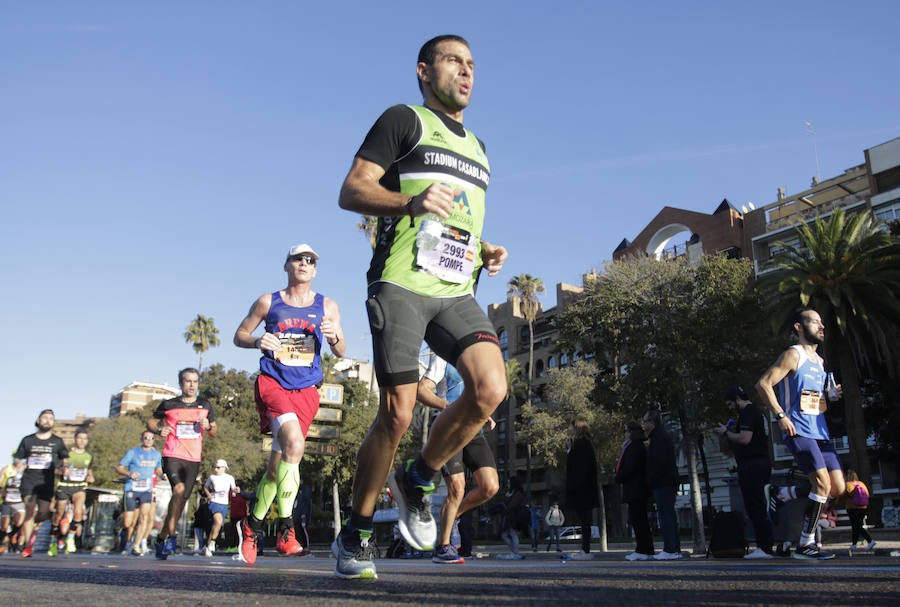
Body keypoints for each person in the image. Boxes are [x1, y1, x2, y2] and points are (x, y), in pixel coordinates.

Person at [334, 34, 507, 580]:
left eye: (472, 64)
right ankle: (356, 534)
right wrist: (408, 201)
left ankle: (420, 473)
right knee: (398, 412)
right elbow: (352, 189)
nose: (467, 72)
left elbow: (455, 220)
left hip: (456, 292)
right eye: (454, 61)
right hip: (401, 284)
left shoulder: (479, 148)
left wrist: (483, 248)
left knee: (490, 389)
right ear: (424, 71)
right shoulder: (403, 120)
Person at [233, 243, 345, 565]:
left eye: (310, 260)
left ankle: (251, 525)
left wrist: (334, 335)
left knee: (276, 468)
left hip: (307, 390)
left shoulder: (328, 306)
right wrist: (257, 340)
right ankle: (286, 530)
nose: (304, 263)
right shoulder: (269, 302)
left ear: (315, 270)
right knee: (295, 444)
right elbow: (239, 335)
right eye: (299, 258)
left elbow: (340, 349)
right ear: (287, 265)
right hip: (274, 384)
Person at [756, 308, 845, 560]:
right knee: (822, 483)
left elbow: (816, 399)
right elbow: (763, 383)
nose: (821, 327)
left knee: (836, 488)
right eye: (814, 322)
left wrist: (831, 396)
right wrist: (780, 416)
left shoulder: (820, 362)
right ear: (799, 327)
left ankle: (783, 493)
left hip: (821, 431)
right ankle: (805, 545)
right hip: (798, 429)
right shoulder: (793, 355)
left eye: (821, 322)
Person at [416, 354, 500, 564]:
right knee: (457, 488)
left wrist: (483, 411)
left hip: (472, 426)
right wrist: (447, 406)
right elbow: (421, 390)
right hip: (447, 426)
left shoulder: (475, 358)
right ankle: (443, 547)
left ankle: (454, 516)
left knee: (490, 487)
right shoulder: (442, 357)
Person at [147, 367, 218, 559]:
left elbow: (214, 430)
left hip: (193, 458)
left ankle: (161, 539)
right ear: (181, 383)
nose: (192, 385)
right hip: (172, 454)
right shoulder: (169, 404)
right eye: (188, 381)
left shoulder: (205, 405)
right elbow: (151, 422)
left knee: (180, 501)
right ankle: (172, 536)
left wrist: (208, 426)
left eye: (195, 381)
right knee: (178, 491)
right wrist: (158, 430)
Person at [717, 386, 774, 559]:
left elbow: (745, 438)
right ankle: (764, 546)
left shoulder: (749, 412)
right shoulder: (756, 412)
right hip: (759, 463)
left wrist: (726, 432)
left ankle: (764, 548)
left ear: (737, 398)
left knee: (755, 506)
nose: (730, 408)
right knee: (757, 506)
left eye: (730, 404)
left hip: (752, 465)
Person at [14, 409, 68, 557]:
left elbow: (65, 458)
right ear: (38, 421)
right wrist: (18, 464)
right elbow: (18, 457)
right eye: (45, 418)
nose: (47, 421)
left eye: (51, 418)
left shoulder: (57, 441)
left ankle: (30, 528)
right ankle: (27, 546)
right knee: (30, 510)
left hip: (46, 482)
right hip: (29, 481)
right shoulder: (28, 440)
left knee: (43, 514)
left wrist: (65, 468)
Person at [116, 430, 163, 556]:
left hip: (146, 490)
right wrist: (129, 474)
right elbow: (119, 467)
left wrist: (161, 475)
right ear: (142, 439)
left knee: (144, 517)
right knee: (128, 522)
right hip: (131, 488)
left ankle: (136, 546)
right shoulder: (133, 452)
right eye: (146, 437)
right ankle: (123, 532)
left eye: (151, 438)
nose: (149, 440)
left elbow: (158, 468)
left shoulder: (157, 454)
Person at [643, 410, 682, 560]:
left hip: (663, 483)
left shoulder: (658, 438)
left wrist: (651, 480)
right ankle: (674, 549)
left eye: (646, 421)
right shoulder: (661, 436)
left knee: (665, 516)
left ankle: (670, 549)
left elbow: (659, 462)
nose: (644, 424)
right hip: (668, 481)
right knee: (669, 515)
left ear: (652, 422)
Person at [49, 429, 93, 555]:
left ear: (87, 441)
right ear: (75, 439)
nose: (82, 441)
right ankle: (53, 541)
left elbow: (89, 472)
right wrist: (62, 471)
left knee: (78, 512)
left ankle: (70, 539)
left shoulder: (89, 456)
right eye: (79, 438)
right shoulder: (66, 453)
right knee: (59, 513)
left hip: (79, 486)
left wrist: (91, 477)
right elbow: (54, 470)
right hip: (64, 486)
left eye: (84, 439)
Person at [615, 420, 654, 561]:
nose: (624, 434)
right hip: (638, 489)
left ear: (631, 432)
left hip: (635, 489)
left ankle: (642, 549)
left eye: (625, 431)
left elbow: (629, 468)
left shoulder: (634, 447)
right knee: (640, 520)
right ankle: (646, 549)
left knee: (638, 520)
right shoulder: (637, 447)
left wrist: (618, 476)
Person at [566, 417, 599, 560]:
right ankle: (585, 549)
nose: (571, 430)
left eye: (573, 428)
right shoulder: (586, 443)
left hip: (582, 489)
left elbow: (576, 467)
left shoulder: (580, 443)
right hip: (587, 487)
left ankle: (585, 550)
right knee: (585, 520)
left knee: (584, 520)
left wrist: (569, 450)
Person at [202, 459, 238, 556]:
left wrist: (236, 490)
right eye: (215, 467)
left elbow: (233, 489)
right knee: (218, 521)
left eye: (218, 468)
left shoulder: (230, 478)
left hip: (224, 503)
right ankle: (212, 543)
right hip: (214, 502)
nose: (216, 469)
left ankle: (210, 543)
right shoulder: (212, 477)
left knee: (218, 524)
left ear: (224, 468)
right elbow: (205, 487)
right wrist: (209, 494)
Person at [843, 469, 875, 552]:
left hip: (852, 508)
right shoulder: (861, 484)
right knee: (856, 526)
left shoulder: (847, 485)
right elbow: (867, 494)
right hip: (863, 507)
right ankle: (854, 545)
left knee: (857, 526)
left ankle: (870, 540)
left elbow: (841, 497)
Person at [0, 460, 26, 553]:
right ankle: (2, 540)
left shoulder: (25, 469)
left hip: (19, 502)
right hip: (7, 502)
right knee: (4, 526)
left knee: (19, 523)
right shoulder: (7, 469)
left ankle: (12, 535)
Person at [497, 477, 526, 560]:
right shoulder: (510, 493)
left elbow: (513, 505)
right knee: (505, 534)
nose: (508, 484)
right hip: (508, 516)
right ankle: (514, 552)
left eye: (509, 483)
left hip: (514, 516)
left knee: (512, 534)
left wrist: (506, 504)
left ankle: (515, 553)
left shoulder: (518, 493)